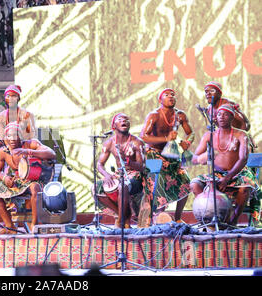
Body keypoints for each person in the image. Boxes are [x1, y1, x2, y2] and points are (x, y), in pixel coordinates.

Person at [190, 104, 261, 225]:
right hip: (217, 174)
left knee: (245, 187)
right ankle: (208, 218)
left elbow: (243, 158)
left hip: (238, 173)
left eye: (226, 114)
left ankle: (231, 223)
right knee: (195, 184)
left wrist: (227, 178)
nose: (222, 117)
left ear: (232, 118)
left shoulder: (241, 134)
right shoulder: (209, 135)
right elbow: (195, 158)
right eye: (219, 114)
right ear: (215, 118)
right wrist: (205, 155)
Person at [0, 122, 56, 234]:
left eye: (16, 135)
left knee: (35, 188)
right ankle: (10, 226)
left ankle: (35, 224)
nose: (12, 139)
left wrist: (28, 151)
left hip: (34, 180)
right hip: (17, 182)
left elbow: (51, 153)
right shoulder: (2, 152)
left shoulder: (31, 144)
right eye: (9, 136)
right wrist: (4, 178)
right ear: (5, 137)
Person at [140, 88, 194, 223]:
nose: (171, 97)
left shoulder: (180, 115)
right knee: (159, 182)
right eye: (167, 95)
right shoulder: (154, 115)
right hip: (152, 155)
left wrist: (187, 142)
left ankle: (178, 218)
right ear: (160, 100)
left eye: (173, 95)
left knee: (186, 183)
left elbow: (190, 133)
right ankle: (157, 217)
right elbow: (143, 137)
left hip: (171, 154)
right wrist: (166, 138)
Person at [92, 113, 151, 228]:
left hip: (135, 176)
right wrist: (107, 175)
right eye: (120, 119)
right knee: (96, 188)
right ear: (114, 126)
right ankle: (124, 215)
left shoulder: (137, 142)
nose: (124, 121)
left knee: (122, 186)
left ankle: (121, 221)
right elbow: (99, 164)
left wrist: (129, 162)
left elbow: (142, 166)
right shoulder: (109, 143)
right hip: (119, 175)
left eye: (126, 119)